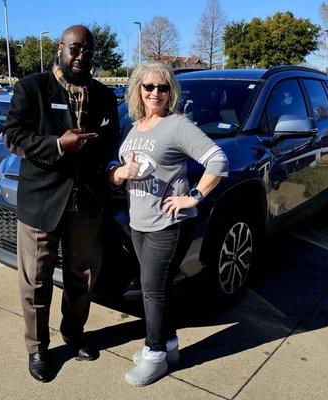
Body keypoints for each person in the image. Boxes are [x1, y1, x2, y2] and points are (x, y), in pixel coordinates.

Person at [4, 25, 119, 382]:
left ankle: (73, 334)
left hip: (86, 201)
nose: (81, 55)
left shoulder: (102, 94)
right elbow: (14, 136)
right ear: (60, 48)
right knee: (35, 282)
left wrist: (94, 147)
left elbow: (111, 136)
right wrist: (58, 145)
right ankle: (38, 349)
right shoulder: (32, 88)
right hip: (42, 202)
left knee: (81, 277)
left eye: (87, 50)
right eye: (75, 48)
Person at [110, 61, 228, 386]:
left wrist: (194, 196)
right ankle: (171, 345)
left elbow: (218, 159)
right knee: (159, 287)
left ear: (170, 91)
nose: (155, 93)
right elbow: (118, 167)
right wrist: (121, 173)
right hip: (139, 222)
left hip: (169, 223)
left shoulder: (176, 125)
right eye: (148, 87)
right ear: (138, 90)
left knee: (152, 290)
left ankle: (155, 354)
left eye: (162, 87)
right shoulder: (134, 127)